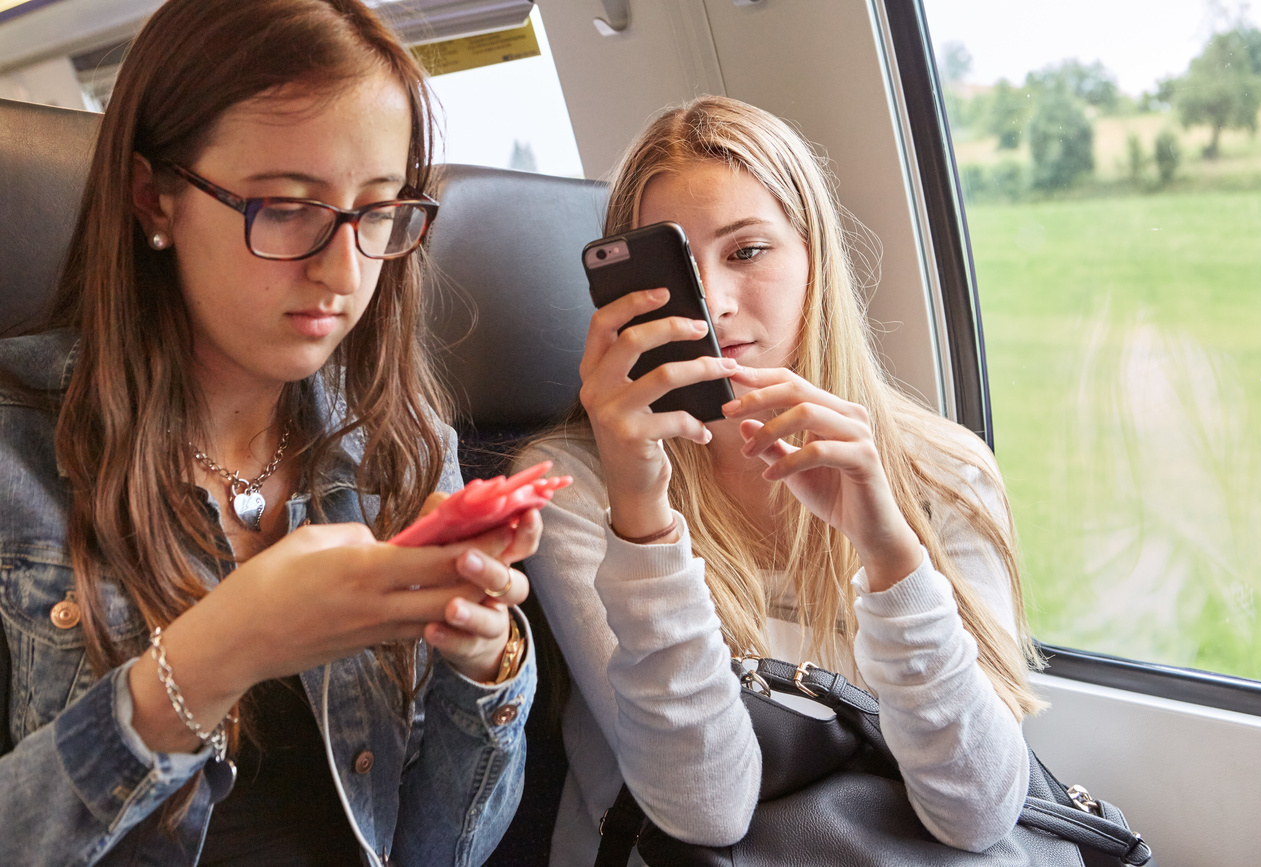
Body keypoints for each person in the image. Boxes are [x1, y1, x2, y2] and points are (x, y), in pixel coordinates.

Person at [0, 1, 538, 864]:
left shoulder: (400, 450)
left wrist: (486, 666)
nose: (344, 270)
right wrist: (214, 658)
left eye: (375, 211)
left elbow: (439, 851)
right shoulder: (13, 455)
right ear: (154, 197)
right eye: (288, 208)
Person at [518, 95, 1046, 864]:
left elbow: (979, 810)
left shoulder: (947, 473)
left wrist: (889, 550)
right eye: (676, 269)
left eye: (746, 252)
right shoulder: (577, 487)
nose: (713, 307)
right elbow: (706, 810)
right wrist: (643, 510)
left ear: (813, 260)